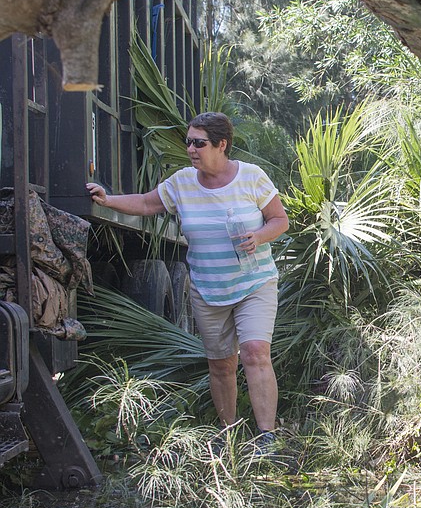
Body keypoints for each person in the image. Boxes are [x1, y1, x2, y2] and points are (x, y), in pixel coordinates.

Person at [87, 112, 289, 446]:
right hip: (208, 287)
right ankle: (229, 435)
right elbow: (146, 203)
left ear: (221, 145)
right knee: (222, 365)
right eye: (188, 142)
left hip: (254, 283)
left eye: (199, 143)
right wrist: (107, 199)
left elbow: (279, 220)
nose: (191, 149)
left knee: (254, 353)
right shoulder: (182, 182)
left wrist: (259, 236)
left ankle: (267, 436)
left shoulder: (251, 177)